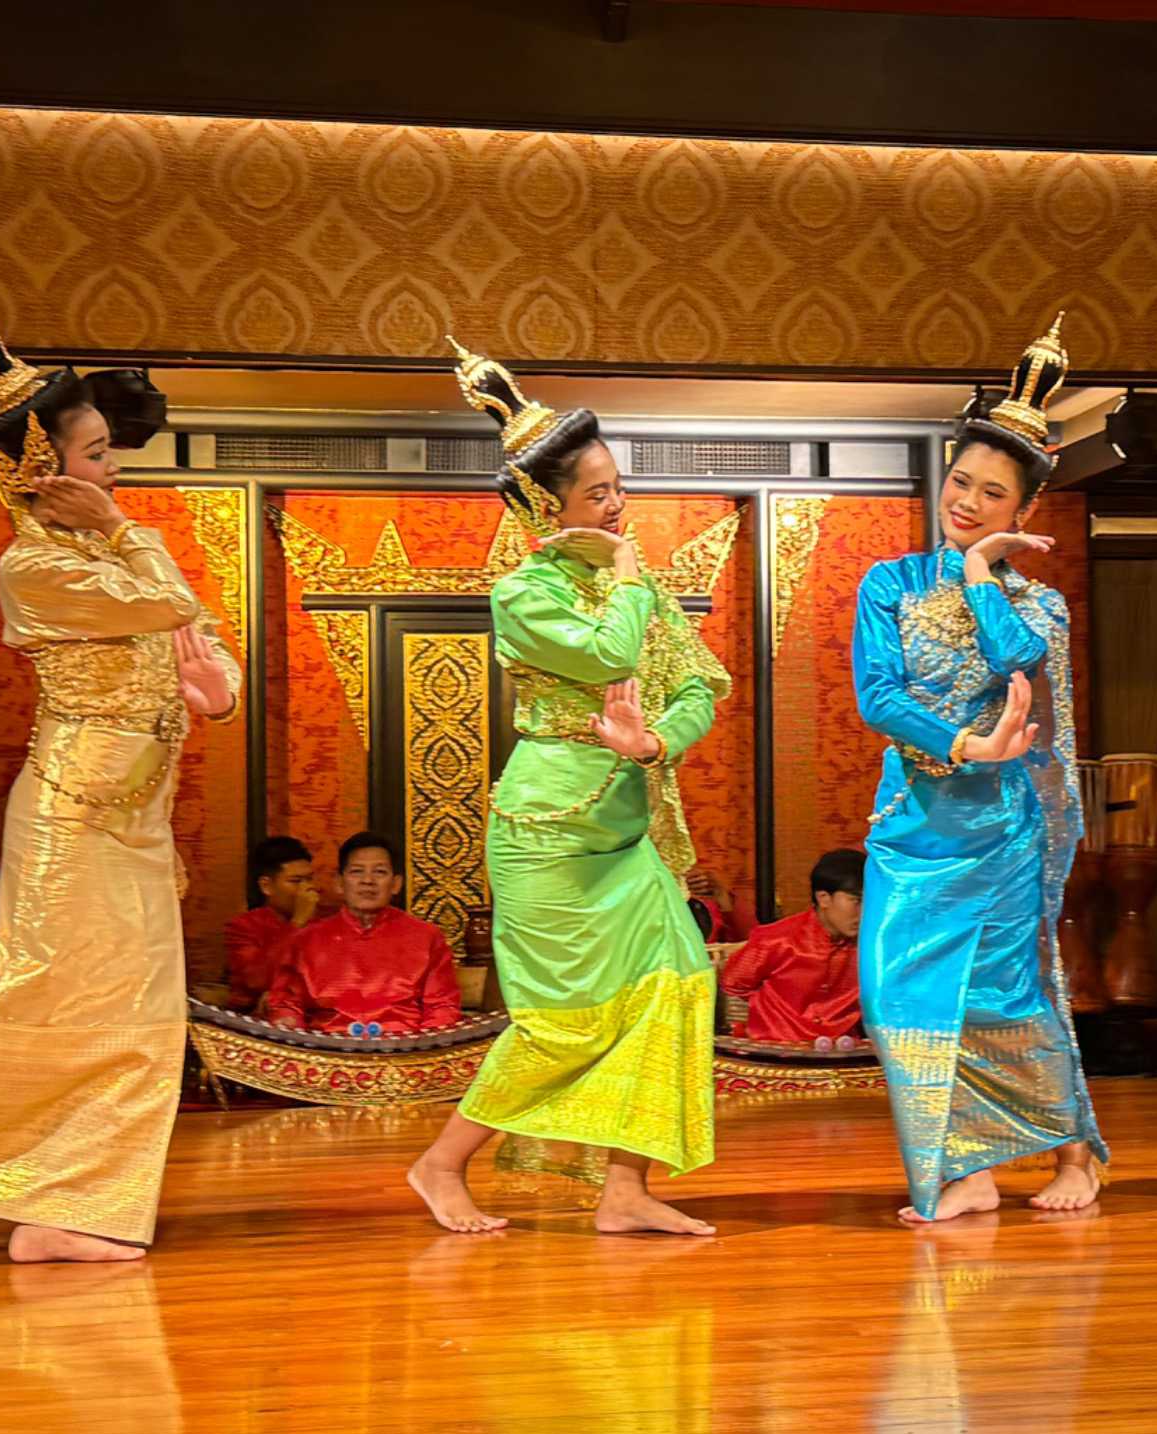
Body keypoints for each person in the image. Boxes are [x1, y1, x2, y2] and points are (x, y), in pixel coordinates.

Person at [0, 280, 239, 1268]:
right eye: (98, 454)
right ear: (41, 469)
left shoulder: (107, 554)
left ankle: (63, 1209)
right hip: (74, 818)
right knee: (43, 1007)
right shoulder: (36, 569)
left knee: (137, 1021)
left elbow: (199, 643)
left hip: (135, 816)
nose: (114, 470)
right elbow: (168, 604)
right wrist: (121, 531)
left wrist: (217, 694)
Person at [407, 344, 730, 1237]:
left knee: (677, 984)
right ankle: (440, 1164)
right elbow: (610, 654)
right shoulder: (523, 595)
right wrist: (625, 578)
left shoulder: (632, 584)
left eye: (617, 488)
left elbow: (701, 684)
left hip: (624, 832)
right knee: (564, 1024)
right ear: (544, 507)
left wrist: (656, 739)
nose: (617, 507)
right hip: (548, 835)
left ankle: (625, 1188)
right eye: (597, 496)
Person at [854, 315, 1108, 1224]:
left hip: (999, 826)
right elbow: (877, 695)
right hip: (913, 819)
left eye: (991, 493)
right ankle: (966, 1165)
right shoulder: (887, 583)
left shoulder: (1037, 601)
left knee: (1002, 996)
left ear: (1021, 511)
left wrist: (975, 576)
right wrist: (960, 744)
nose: (966, 500)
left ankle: (1071, 1154)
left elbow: (1016, 660)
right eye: (960, 480)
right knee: (896, 994)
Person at [262, 833, 461, 1035]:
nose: (367, 881)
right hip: (328, 1047)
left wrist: (421, 1047)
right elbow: (286, 1005)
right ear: (339, 883)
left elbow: (442, 1007)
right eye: (357, 872)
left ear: (396, 884)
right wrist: (294, 1033)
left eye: (379, 872)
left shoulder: (426, 937)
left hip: (404, 1046)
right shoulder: (306, 940)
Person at [721, 849, 864, 1046]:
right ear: (824, 898)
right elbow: (733, 982)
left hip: (844, 1050)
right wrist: (773, 1013)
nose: (865, 911)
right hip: (776, 1048)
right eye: (857, 901)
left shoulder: (873, 948)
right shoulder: (775, 940)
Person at [223, 836, 321, 1012]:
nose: (306, 889)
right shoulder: (243, 927)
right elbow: (256, 981)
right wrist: (297, 923)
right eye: (296, 881)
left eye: (309, 879)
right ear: (266, 886)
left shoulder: (321, 926)